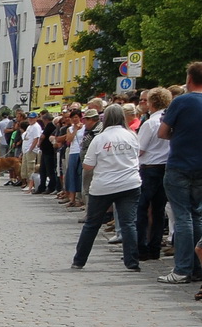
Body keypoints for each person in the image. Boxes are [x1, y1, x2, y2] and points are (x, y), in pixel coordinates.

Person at [72, 105, 143, 272]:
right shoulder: (132, 135)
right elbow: (137, 155)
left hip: (104, 185)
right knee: (128, 224)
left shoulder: (100, 138)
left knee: (91, 224)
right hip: (130, 183)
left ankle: (79, 260)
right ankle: (132, 262)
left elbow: (88, 165)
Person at [156, 61, 202, 285]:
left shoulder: (181, 101)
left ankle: (182, 268)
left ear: (189, 79)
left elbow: (162, 133)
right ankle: (197, 266)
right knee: (197, 216)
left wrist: (179, 134)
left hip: (180, 164)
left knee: (182, 217)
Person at [137, 88, 171, 264]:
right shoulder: (170, 120)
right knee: (158, 210)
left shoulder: (150, 123)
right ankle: (154, 248)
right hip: (166, 167)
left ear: (152, 103)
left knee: (141, 208)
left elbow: (140, 149)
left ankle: (141, 248)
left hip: (149, 167)